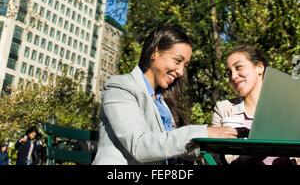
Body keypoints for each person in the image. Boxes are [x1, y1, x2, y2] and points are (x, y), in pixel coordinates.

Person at [93, 27, 237, 165]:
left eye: (185, 65)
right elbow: (140, 146)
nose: (181, 72)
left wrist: (211, 142)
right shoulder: (120, 87)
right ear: (154, 53)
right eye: (177, 60)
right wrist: (203, 132)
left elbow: (169, 144)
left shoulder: (162, 100)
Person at [212, 45, 296, 165]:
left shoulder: (289, 108)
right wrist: (256, 154)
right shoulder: (223, 109)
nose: (233, 76)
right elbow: (218, 158)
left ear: (260, 67)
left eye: (238, 67)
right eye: (229, 72)